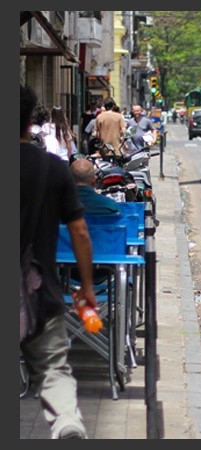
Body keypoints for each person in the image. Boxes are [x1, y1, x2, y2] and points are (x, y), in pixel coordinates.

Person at [20, 84, 97, 439]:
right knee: (53, 369)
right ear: (31, 122)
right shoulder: (54, 168)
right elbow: (79, 231)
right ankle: (67, 422)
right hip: (38, 291)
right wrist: (87, 286)